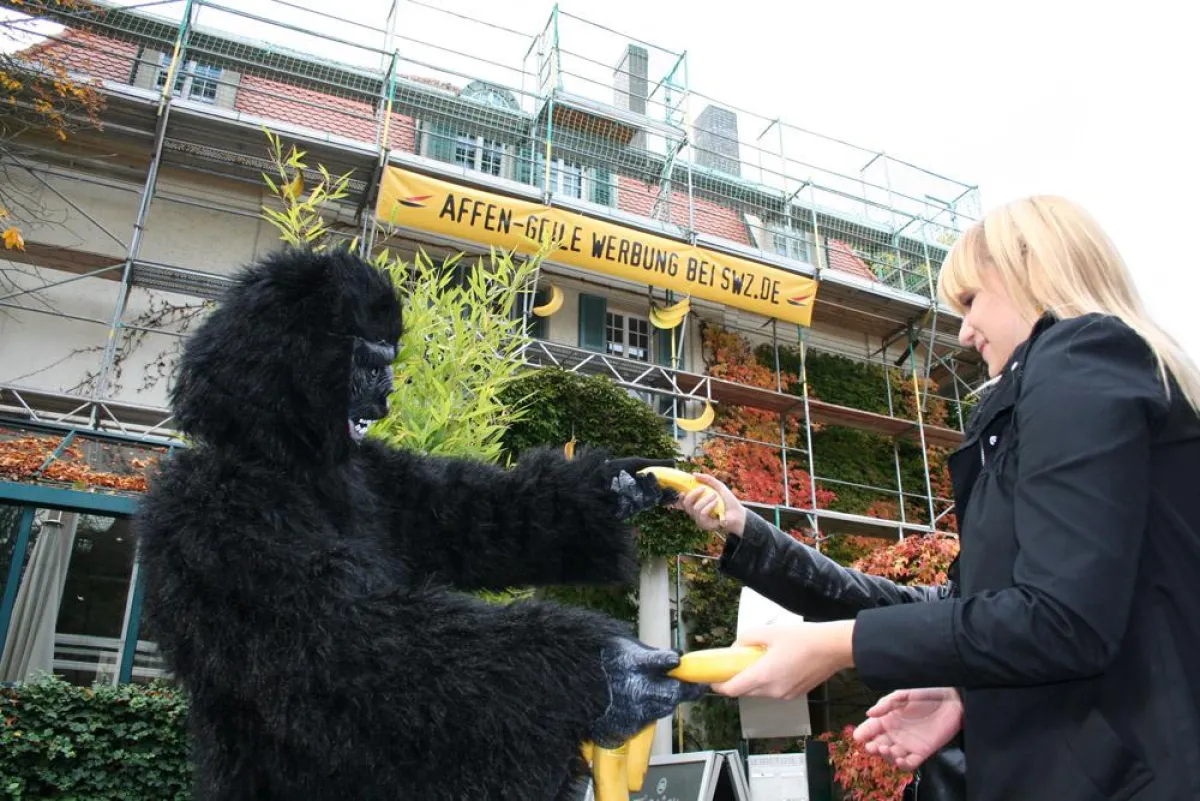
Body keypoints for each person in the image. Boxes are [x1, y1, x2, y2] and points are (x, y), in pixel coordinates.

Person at [676, 195, 1200, 801]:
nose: (965, 330)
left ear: (1030, 267)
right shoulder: (1093, 383)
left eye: (972, 299)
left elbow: (1061, 620)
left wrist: (836, 646)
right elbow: (975, 607)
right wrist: (963, 691)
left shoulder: (1077, 358)